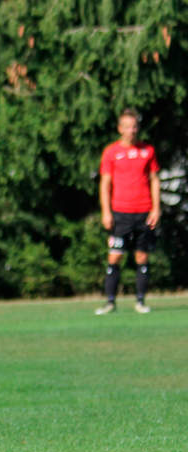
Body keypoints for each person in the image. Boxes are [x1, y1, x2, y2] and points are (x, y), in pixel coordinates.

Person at [96, 108, 160, 315]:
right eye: (127, 127)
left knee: (142, 257)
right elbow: (105, 184)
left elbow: (154, 180)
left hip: (143, 213)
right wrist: (106, 212)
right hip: (120, 214)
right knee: (114, 257)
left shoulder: (148, 151)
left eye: (135, 127)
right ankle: (110, 302)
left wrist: (156, 208)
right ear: (119, 129)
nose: (132, 131)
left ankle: (140, 301)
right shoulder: (111, 152)